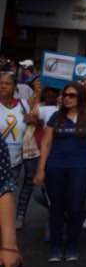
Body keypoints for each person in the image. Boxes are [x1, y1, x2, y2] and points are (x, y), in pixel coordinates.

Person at [33, 81, 86, 262]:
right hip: (55, 167)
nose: (66, 99)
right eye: (65, 95)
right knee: (57, 208)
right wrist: (40, 170)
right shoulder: (55, 116)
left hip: (80, 167)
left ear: (80, 97)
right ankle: (55, 247)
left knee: (76, 208)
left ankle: (72, 246)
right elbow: (46, 143)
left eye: (72, 95)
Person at [0, 73, 34, 231]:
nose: (3, 86)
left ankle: (19, 215)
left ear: (15, 87)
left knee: (16, 190)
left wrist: (32, 119)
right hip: (1, 159)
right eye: (1, 83)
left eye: (7, 83)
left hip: (19, 157)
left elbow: (37, 122)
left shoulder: (24, 105)